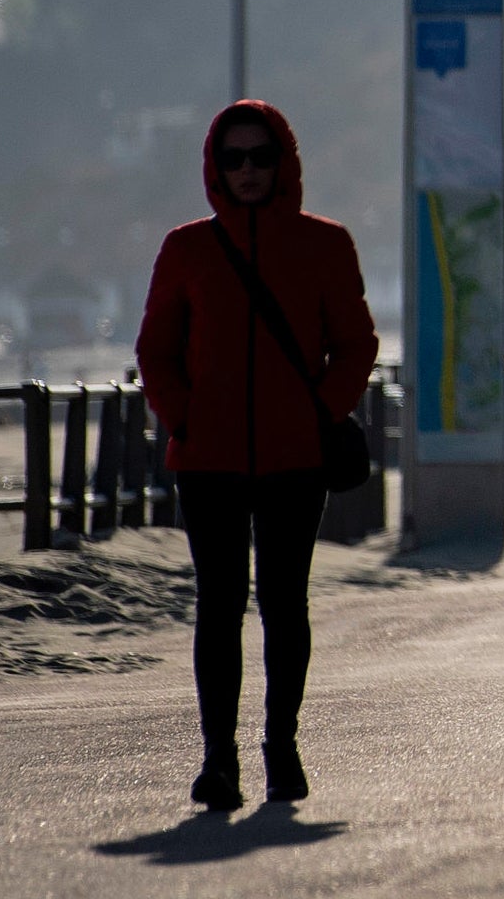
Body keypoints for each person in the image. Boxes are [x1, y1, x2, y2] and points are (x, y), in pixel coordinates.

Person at [134, 102, 378, 810]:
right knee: (218, 604)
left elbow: (356, 343)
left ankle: (281, 743)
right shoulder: (187, 249)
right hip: (206, 457)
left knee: (282, 602)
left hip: (294, 458)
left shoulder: (324, 244)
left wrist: (319, 412)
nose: (246, 169)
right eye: (232, 157)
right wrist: (182, 414)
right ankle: (219, 757)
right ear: (214, 165)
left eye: (260, 156)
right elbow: (156, 349)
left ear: (285, 161)